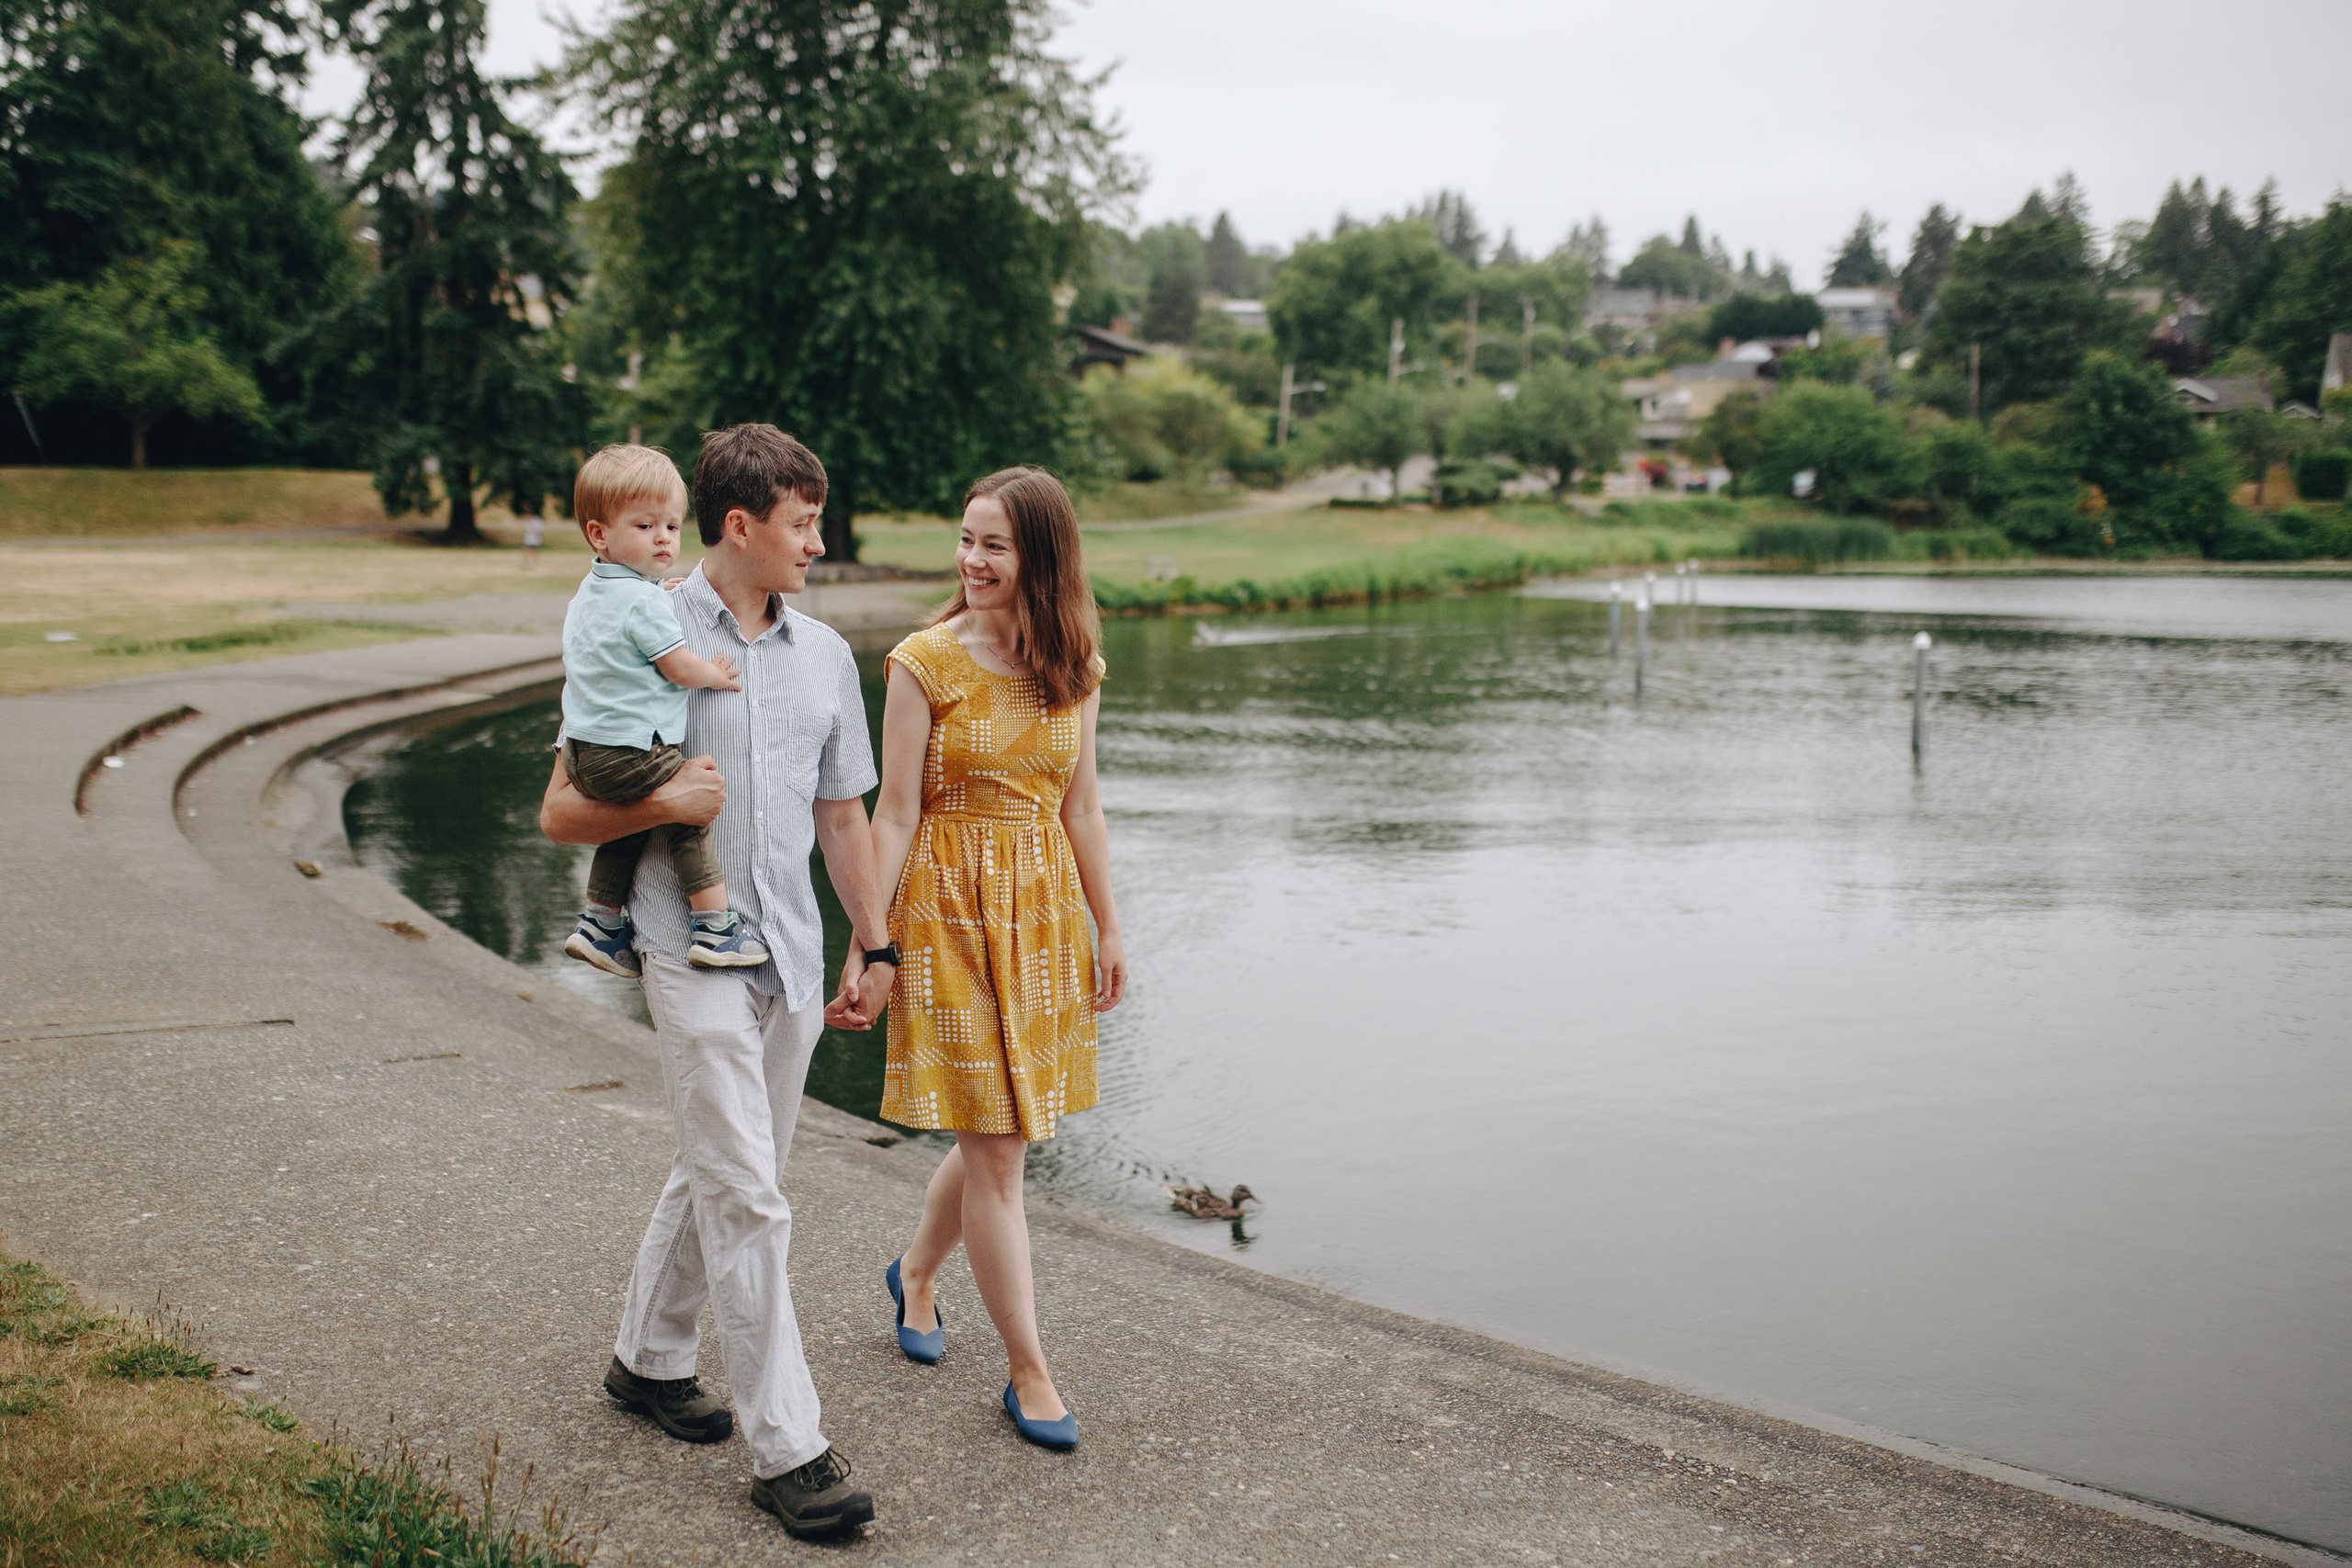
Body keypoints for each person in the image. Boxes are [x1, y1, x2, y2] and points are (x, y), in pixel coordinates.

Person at [537, 423, 897, 1540]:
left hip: (788, 954)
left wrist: (873, 944)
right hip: (683, 948)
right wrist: (662, 807)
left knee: (726, 1169)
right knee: (746, 1188)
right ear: (739, 525)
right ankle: (788, 1448)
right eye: (802, 525)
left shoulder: (827, 654)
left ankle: (647, 1365)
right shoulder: (634, 615)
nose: (818, 544)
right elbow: (562, 814)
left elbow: (842, 815)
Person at [867, 467, 1127, 1451]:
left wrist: (1109, 926)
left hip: (1042, 915)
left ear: (1042, 560)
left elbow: (1082, 806)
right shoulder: (922, 662)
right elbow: (892, 812)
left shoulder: (1078, 669)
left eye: (995, 545)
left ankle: (919, 1273)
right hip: (946, 915)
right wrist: (872, 938)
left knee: (999, 1129)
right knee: (1000, 1148)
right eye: (966, 540)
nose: (972, 561)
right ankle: (1029, 1372)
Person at [555, 444, 768, 977]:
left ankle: (600, 923)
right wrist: (717, 675)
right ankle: (716, 926)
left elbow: (624, 621)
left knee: (627, 822)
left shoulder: (593, 590)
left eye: (671, 528)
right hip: (630, 746)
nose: (663, 539)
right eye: (645, 526)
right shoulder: (645, 602)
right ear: (599, 534)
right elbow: (677, 666)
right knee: (686, 810)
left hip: (585, 752)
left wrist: (654, 587)